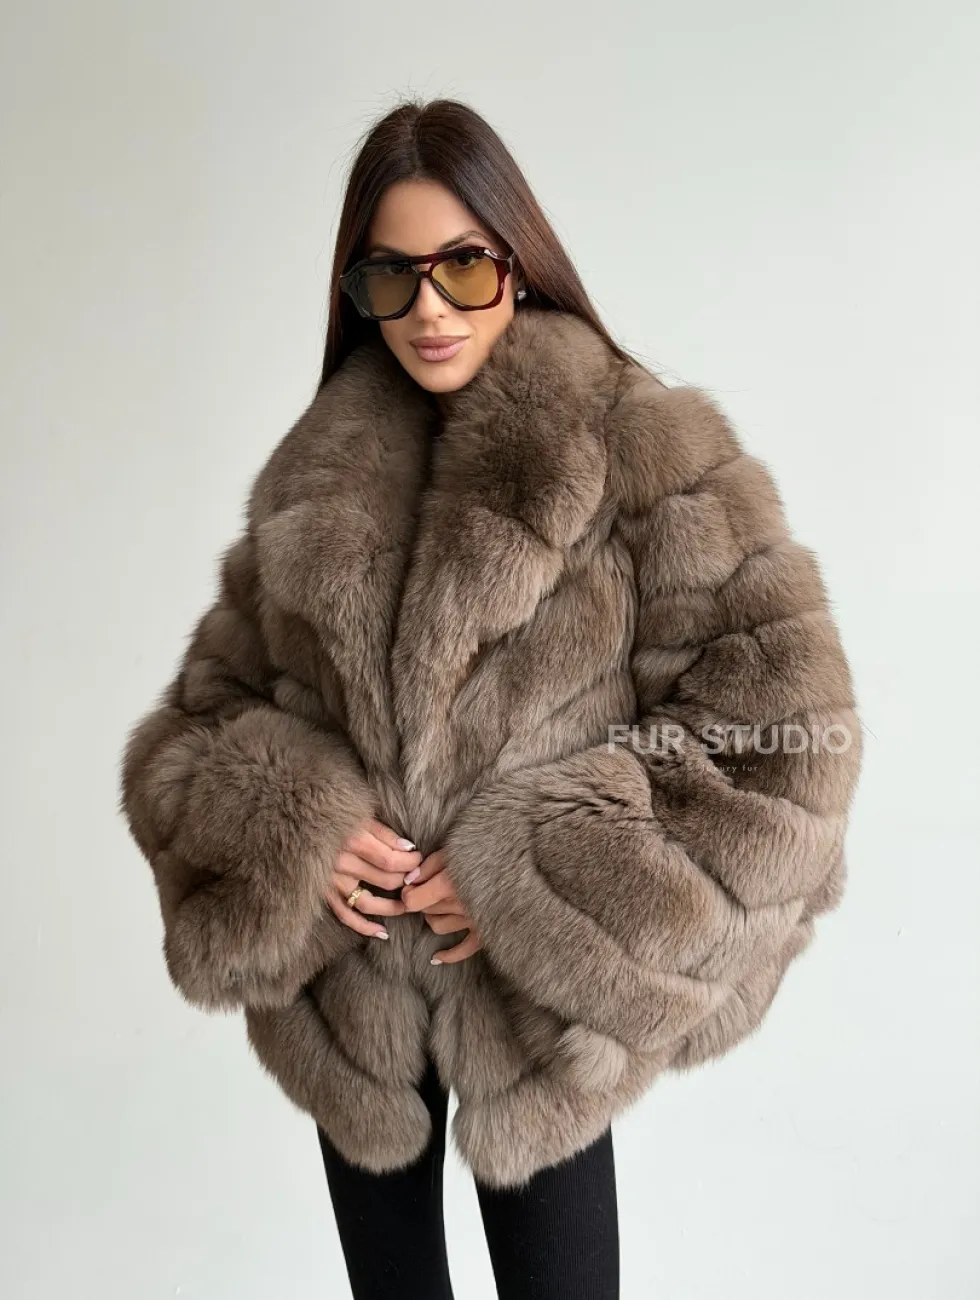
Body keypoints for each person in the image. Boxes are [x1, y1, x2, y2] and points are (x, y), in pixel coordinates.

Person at [118, 97, 863, 1300]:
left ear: (517, 260)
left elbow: (788, 741)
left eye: (462, 266)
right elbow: (194, 726)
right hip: (355, 1007)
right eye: (390, 276)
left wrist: (531, 870)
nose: (428, 310)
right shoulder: (313, 478)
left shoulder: (642, 448)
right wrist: (295, 825)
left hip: (539, 1011)